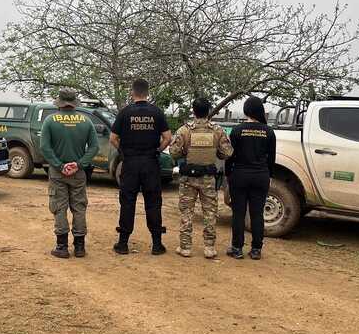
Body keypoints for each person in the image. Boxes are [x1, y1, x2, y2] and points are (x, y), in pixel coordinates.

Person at [110, 78, 173, 255]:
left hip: (130, 162)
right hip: (150, 162)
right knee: (153, 202)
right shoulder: (157, 112)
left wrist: (123, 151)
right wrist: (158, 149)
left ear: (133, 92)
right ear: (147, 92)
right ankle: (157, 244)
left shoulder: (124, 113)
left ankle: (123, 244)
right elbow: (168, 137)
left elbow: (113, 138)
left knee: (127, 202)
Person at [169, 98, 233, 258]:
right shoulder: (217, 130)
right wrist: (215, 153)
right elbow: (227, 153)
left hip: (188, 179)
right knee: (210, 213)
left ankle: (185, 247)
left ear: (193, 110)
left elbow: (174, 152)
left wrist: (186, 152)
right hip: (208, 179)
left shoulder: (184, 130)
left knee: (186, 212)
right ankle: (209, 248)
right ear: (209, 110)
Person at [40, 88, 99, 259]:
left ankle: (62, 247)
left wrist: (59, 166)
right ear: (74, 102)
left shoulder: (50, 120)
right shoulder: (86, 121)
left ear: (59, 102)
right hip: (78, 173)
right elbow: (94, 147)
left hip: (58, 173)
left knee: (59, 207)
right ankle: (80, 247)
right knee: (79, 208)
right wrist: (79, 164)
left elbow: (45, 147)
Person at [225, 96, 276, 260]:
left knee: (238, 213)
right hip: (260, 175)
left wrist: (228, 175)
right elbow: (271, 158)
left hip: (239, 175)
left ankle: (237, 248)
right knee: (257, 214)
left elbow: (229, 156)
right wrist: (269, 175)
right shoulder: (269, 132)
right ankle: (256, 250)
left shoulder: (237, 130)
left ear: (246, 110)